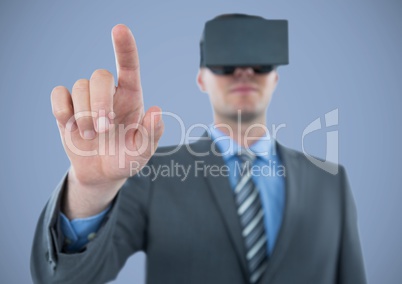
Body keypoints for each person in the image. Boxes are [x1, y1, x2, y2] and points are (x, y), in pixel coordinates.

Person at [30, 14, 367, 284]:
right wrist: (92, 187)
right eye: (225, 62)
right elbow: (64, 279)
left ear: (276, 77)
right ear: (201, 78)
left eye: (261, 62)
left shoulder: (330, 181)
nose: (244, 70)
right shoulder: (153, 172)